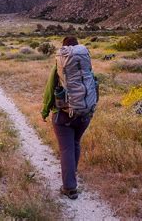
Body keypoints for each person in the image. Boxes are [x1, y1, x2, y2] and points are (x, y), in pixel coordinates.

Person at [41, 36, 98, 200]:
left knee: (66, 148)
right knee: (75, 143)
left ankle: (69, 188)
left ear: (64, 50)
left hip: (64, 115)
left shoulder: (59, 68)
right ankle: (72, 172)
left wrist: (45, 111)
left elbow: (49, 90)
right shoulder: (86, 68)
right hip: (84, 114)